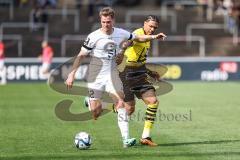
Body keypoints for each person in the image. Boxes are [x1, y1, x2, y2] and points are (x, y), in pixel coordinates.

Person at [65, 7, 165, 148]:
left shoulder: (121, 33)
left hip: (116, 74)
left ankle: (129, 139)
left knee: (124, 105)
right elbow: (81, 55)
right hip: (99, 75)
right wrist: (72, 73)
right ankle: (91, 102)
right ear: (101, 21)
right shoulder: (94, 36)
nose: (106, 24)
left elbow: (137, 43)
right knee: (96, 113)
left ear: (113, 21)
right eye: (104, 22)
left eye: (109, 22)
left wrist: (154, 38)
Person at [118, 15, 166, 146]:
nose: (152, 29)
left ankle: (146, 137)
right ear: (144, 23)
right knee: (129, 109)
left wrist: (150, 72)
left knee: (153, 101)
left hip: (140, 74)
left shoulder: (148, 38)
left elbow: (140, 60)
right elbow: (129, 41)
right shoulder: (137, 34)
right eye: (150, 26)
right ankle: (113, 105)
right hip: (126, 74)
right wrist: (122, 49)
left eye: (155, 28)